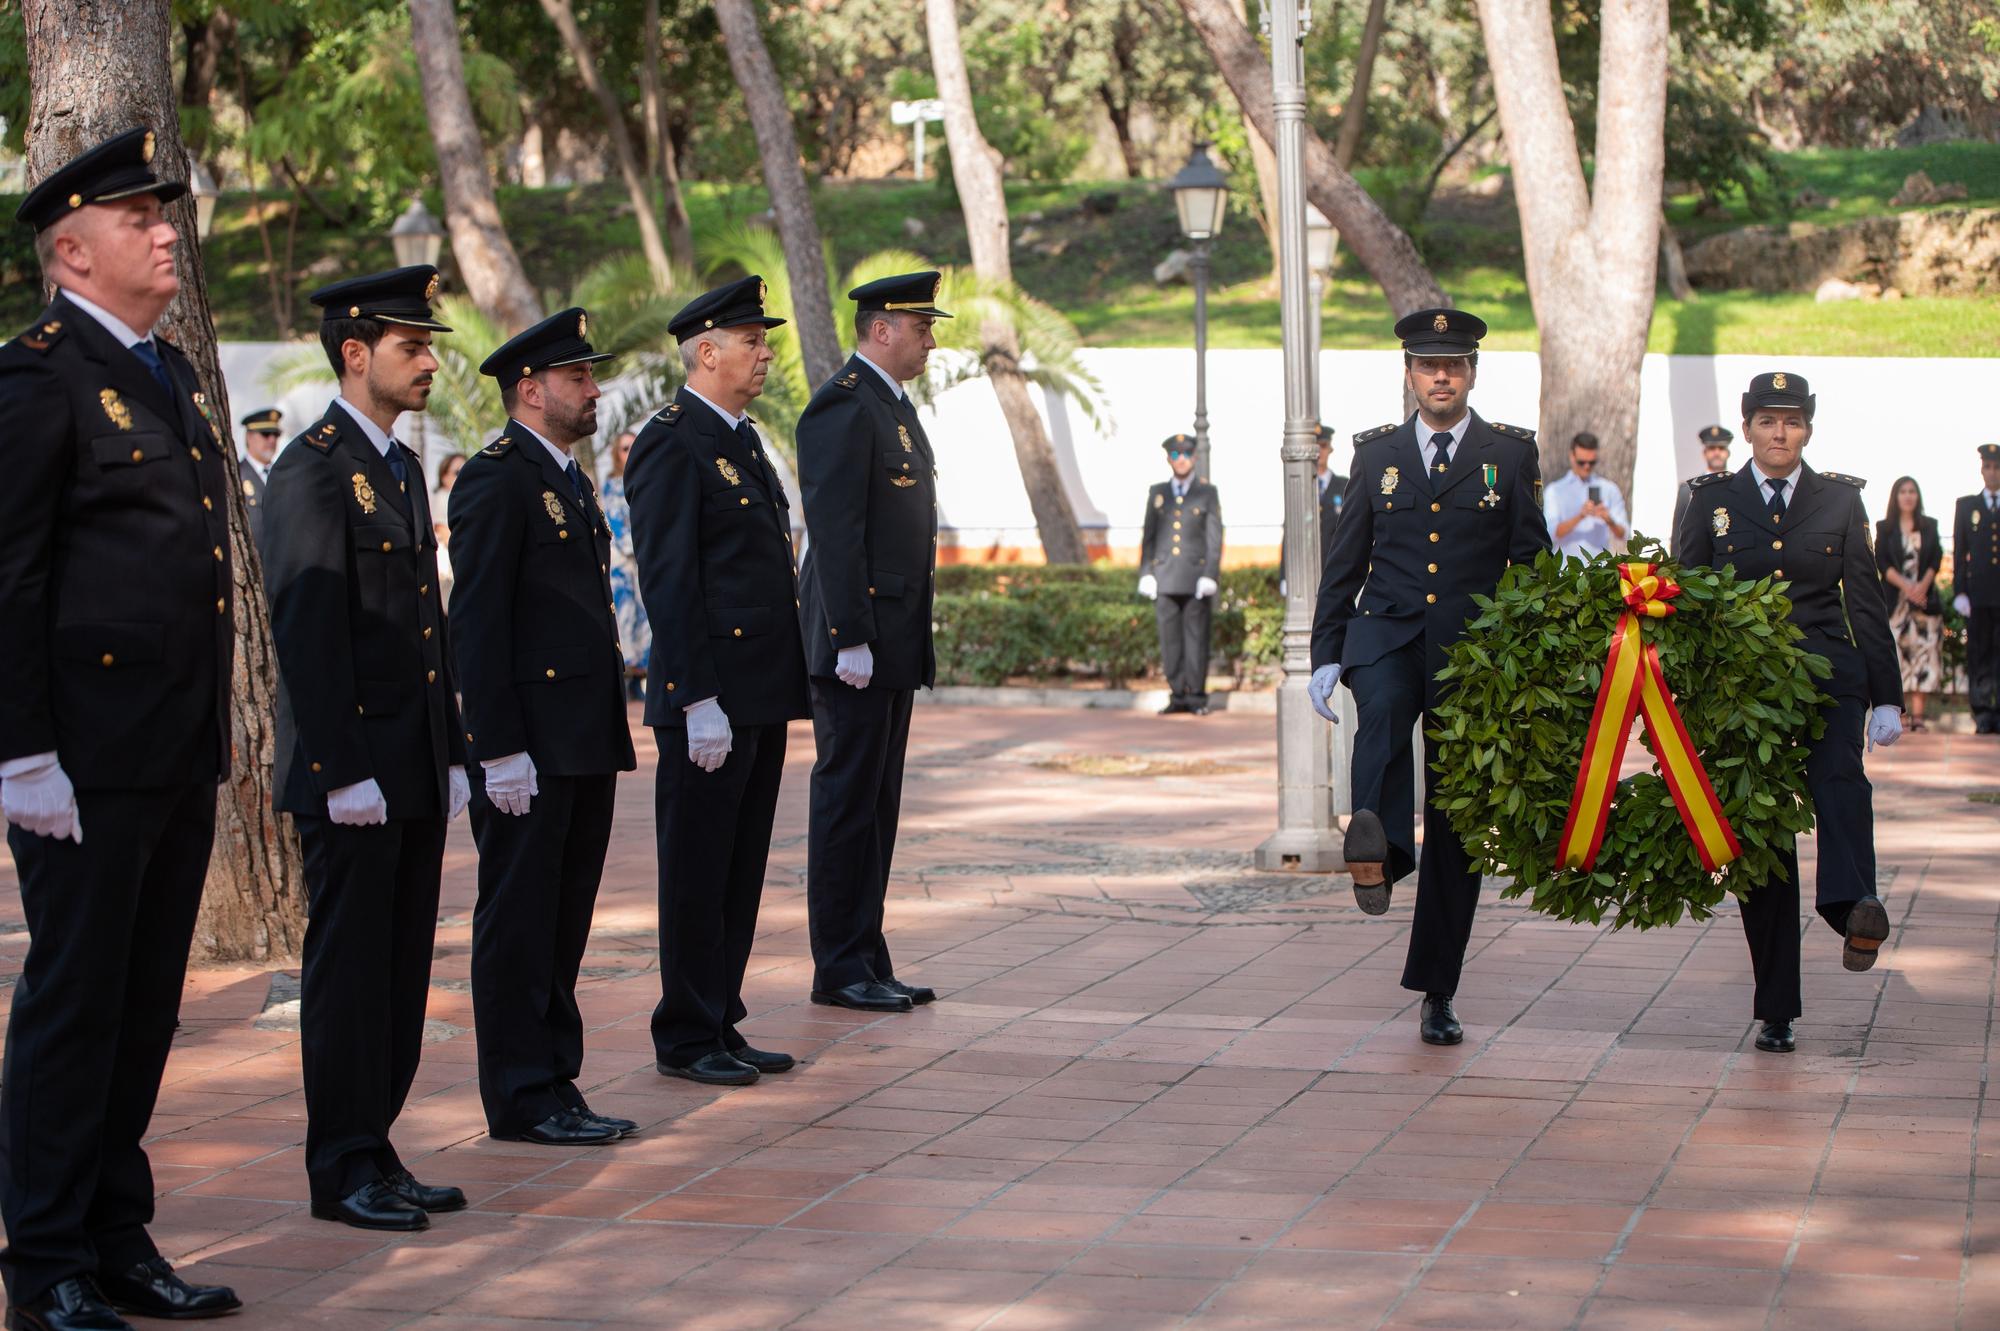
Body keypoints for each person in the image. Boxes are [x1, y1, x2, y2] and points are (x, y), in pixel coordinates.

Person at [0, 125, 243, 1330]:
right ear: (71, 247)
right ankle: (43, 1261)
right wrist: (21, 748)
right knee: (76, 997)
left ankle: (113, 1228)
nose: (164, 229)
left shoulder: (169, 373)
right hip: (81, 757)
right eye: (138, 214)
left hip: (169, 742)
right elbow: (10, 573)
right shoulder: (38, 374)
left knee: (147, 998)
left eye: (167, 211)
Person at [261, 265, 471, 1231]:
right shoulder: (312, 465)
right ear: (356, 352)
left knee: (398, 972)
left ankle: (376, 1145)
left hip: (412, 766)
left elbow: (424, 624)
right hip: (353, 775)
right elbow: (308, 629)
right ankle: (340, 1164)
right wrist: (341, 767)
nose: (428, 362)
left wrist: (452, 748)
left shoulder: (399, 464)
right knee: (348, 974)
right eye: (411, 347)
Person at [1304, 308, 1549, 1046]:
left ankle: (1437, 987)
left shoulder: (1509, 455)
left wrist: (1533, 653)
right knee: (1378, 707)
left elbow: (1532, 562)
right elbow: (1346, 559)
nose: (1441, 375)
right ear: (1407, 373)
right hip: (1388, 634)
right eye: (1426, 364)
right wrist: (1325, 650)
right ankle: (1374, 846)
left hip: (1474, 655)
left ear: (1471, 373)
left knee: (1459, 824)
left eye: (1454, 364)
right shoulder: (1374, 455)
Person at [448, 309, 639, 1145]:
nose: (593, 390)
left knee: (565, 919)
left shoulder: (566, 478)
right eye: (579, 377)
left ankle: (557, 1079)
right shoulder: (496, 479)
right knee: (521, 921)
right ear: (531, 389)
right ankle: (521, 1094)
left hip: (581, 738)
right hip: (529, 744)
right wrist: (498, 747)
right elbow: (478, 624)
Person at [1675, 372, 1901, 1053]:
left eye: (1792, 421)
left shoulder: (1839, 499)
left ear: (1807, 429)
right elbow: (1689, 598)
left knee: (1839, 778)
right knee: (1764, 843)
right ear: (1746, 428)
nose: (1780, 432)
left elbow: (1863, 599)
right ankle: (1776, 1007)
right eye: (1768, 420)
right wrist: (1684, 692)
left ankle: (1852, 904)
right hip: (1746, 691)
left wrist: (1886, 692)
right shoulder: (1710, 500)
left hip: (1829, 673)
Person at [625, 276, 807, 1084]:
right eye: (751, 341)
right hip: (711, 697)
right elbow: (669, 577)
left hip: (757, 690)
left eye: (763, 341)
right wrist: (697, 698)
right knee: (698, 869)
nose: (765, 353)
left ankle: (720, 1015)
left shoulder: (741, 437)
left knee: (739, 866)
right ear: (706, 351)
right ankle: (686, 1031)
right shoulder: (673, 439)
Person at [795, 272, 951, 1015]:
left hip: (890, 638)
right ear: (881, 328)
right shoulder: (844, 405)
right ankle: (838, 963)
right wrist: (848, 633)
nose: (930, 338)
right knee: (847, 802)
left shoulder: (892, 408)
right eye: (920, 326)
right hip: (857, 640)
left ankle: (867, 950)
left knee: (878, 804)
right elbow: (833, 529)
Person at [1137, 432, 1224, 715]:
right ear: (1168, 459)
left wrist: (1210, 573)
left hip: (1195, 578)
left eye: (1186, 454)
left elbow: (1214, 537)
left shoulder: (1206, 492)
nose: (1181, 460)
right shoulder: (1158, 492)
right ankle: (1177, 694)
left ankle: (1197, 697)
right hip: (1165, 578)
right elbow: (1148, 536)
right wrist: (1146, 572)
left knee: (1196, 639)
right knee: (1170, 640)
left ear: (1195, 458)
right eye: (1176, 455)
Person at [1876, 476, 1943, 731]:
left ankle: (1918, 716)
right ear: (1895, 496)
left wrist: (1921, 587)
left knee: (1925, 656)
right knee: (1896, 657)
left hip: (1925, 602)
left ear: (1918, 496)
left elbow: (1936, 559)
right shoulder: (1885, 527)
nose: (1907, 495)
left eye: (1912, 491)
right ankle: (1899, 713)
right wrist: (1907, 588)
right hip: (1896, 602)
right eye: (1902, 491)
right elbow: (1882, 562)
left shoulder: (1929, 526)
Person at [1953, 444, 2000, 734]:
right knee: (1979, 654)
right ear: (1982, 469)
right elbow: (1959, 552)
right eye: (1988, 467)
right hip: (1979, 595)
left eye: (1996, 467)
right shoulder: (1967, 506)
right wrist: (1960, 591)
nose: (1992, 472)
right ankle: (1982, 711)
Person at [603, 429, 651, 701]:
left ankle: (643, 675)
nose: (629, 452)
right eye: (624, 448)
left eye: (633, 446)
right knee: (625, 618)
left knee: (646, 618)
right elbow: (615, 524)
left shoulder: (648, 478)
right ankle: (628, 677)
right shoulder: (611, 485)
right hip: (623, 563)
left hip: (643, 561)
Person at [1542, 431, 1627, 560]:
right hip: (1565, 572)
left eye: (1592, 462)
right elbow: (1550, 533)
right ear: (1572, 456)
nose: (1587, 467)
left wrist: (1609, 520)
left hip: (1599, 571)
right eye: (1581, 462)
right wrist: (1580, 516)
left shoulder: (1609, 489)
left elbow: (1624, 534)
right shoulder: (1555, 491)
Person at [1670, 424, 1734, 549]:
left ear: (1727, 453)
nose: (1716, 453)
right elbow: (1678, 534)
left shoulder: (1738, 485)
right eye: (1711, 448)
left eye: (1721, 448)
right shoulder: (1688, 489)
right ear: (1704, 453)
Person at [238, 406, 283, 549]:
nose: (272, 440)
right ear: (249, 437)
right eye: (266, 433)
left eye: (276, 434)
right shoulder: (238, 476)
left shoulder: (283, 474)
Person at [432, 452, 464, 606]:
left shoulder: (459, 498)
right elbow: (444, 532)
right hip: (449, 569)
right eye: (458, 472)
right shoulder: (443, 497)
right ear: (444, 476)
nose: (462, 476)